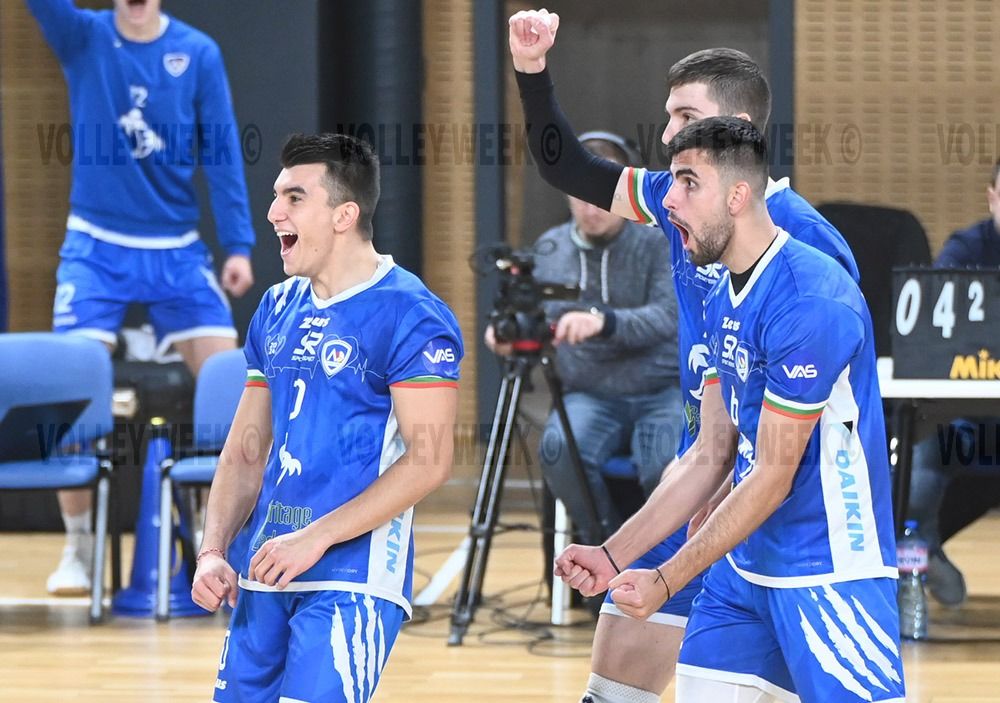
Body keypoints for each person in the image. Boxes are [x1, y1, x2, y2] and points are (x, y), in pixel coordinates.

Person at [508, 10, 860, 700]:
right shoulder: (678, 200)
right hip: (698, 472)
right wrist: (531, 72)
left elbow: (813, 419)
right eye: (669, 117)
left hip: (788, 511)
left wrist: (723, 487)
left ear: (737, 131)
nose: (667, 134)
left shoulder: (809, 249)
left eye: (685, 117)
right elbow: (566, 165)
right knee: (613, 678)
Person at [560, 116, 905, 702]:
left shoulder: (810, 299)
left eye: (688, 182)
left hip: (828, 569)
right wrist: (614, 554)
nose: (670, 200)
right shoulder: (722, 290)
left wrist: (668, 577)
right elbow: (713, 450)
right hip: (742, 571)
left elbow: (772, 476)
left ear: (739, 196)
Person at [191, 133, 462, 702]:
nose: (273, 213)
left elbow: (430, 462)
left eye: (294, 198)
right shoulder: (276, 306)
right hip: (266, 567)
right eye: (276, 196)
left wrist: (315, 539)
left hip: (353, 578)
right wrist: (213, 549)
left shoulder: (411, 313)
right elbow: (245, 450)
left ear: (344, 215)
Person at [27, 0, 256, 595]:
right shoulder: (83, 36)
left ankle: (218, 539)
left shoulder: (198, 52)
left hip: (175, 249)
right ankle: (78, 548)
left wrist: (237, 244)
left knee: (236, 386)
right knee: (69, 389)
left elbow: (222, 151)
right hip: (96, 246)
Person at [486, 132, 682, 546]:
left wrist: (603, 322)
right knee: (557, 449)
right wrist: (512, 332)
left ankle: (664, 561)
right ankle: (607, 546)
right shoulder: (550, 247)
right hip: (588, 394)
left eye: (600, 199)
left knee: (665, 466)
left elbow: (668, 318)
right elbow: (539, 318)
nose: (590, 210)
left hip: (661, 392)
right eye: (580, 198)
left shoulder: (658, 241)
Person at [907, 156, 1000, 607]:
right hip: (969, 420)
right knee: (924, 447)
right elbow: (933, 327)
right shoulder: (965, 250)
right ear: (992, 197)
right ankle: (920, 552)